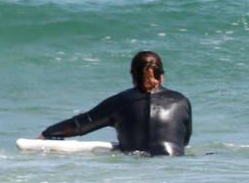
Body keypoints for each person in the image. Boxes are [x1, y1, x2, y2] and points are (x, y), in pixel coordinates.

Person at [39, 50, 193, 156]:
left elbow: (79, 125)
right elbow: (184, 141)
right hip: (173, 171)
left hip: (138, 171)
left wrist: (47, 133)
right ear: (162, 77)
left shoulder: (120, 102)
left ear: (133, 77)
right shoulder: (181, 101)